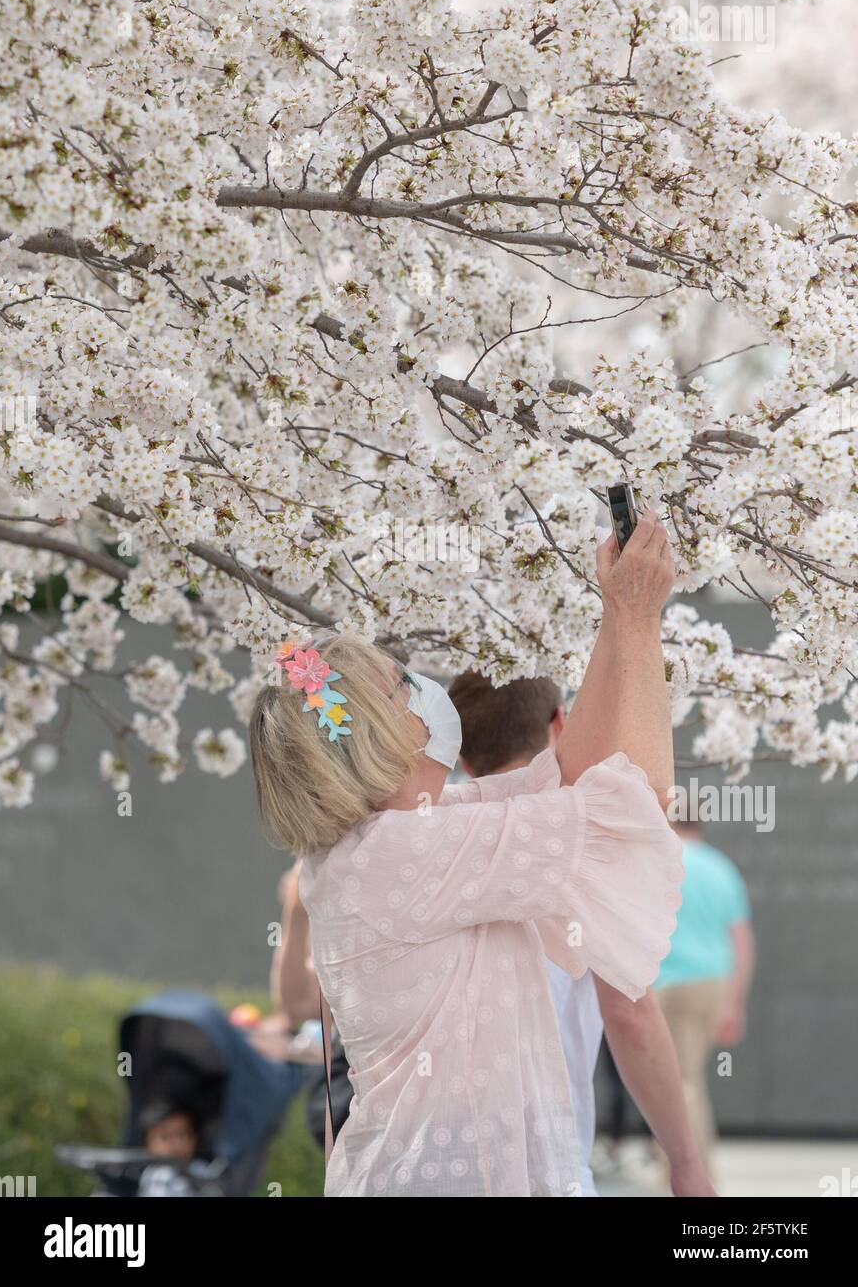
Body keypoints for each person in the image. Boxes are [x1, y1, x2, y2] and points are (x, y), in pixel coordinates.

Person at [249, 511, 713, 1197]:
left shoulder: (392, 843)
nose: (423, 688)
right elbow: (633, 800)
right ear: (386, 736)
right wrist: (640, 618)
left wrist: (620, 616)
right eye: (402, 685)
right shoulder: (410, 852)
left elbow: (577, 783)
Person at [448, 670, 720, 1197]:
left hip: (426, 1155)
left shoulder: (416, 836)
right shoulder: (578, 849)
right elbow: (627, 1011)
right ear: (559, 725)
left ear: (461, 756)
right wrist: (685, 1162)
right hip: (541, 1161)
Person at [654, 815, 755, 1183]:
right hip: (713, 982)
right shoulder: (721, 867)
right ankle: (674, 1170)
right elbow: (741, 941)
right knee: (686, 1078)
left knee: (678, 1081)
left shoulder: (658, 860)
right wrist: (734, 1001)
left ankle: (695, 1176)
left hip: (666, 983)